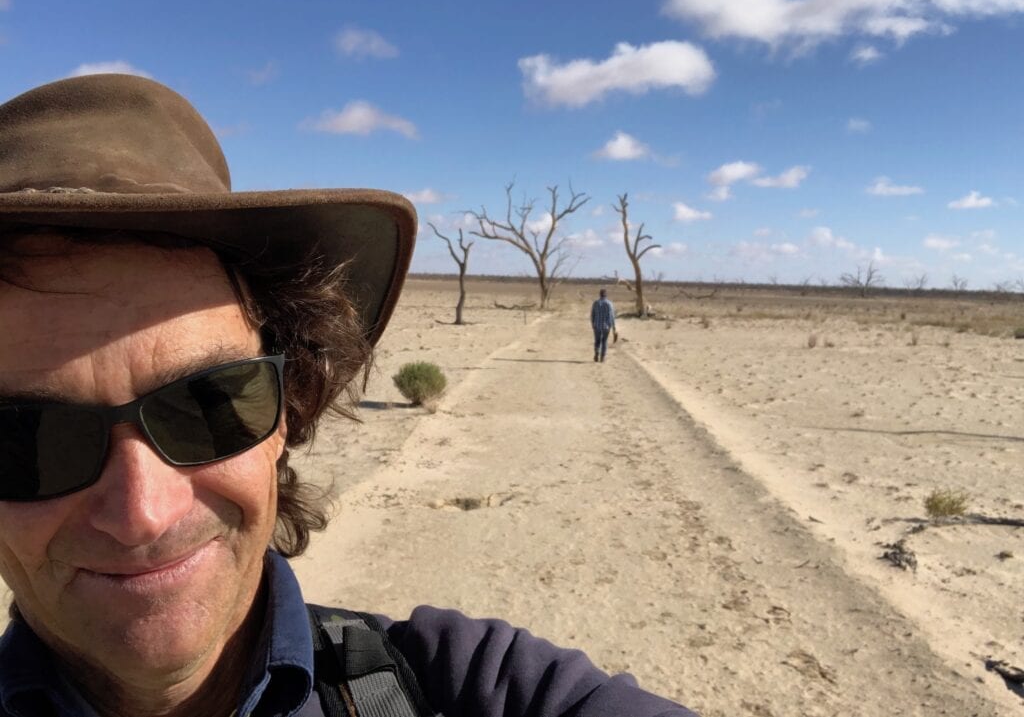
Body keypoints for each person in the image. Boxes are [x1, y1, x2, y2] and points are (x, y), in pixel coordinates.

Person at [0, 74, 695, 717]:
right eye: (26, 439)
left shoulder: (464, 686)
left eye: (210, 404)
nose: (141, 514)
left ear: (286, 404)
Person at [590, 288, 617, 362]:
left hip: (597, 325)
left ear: (600, 294)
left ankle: (596, 353)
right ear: (606, 295)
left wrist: (592, 323)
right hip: (606, 326)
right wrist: (614, 327)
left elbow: (592, 314)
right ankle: (602, 357)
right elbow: (612, 316)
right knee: (604, 341)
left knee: (597, 340)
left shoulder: (595, 303)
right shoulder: (609, 303)